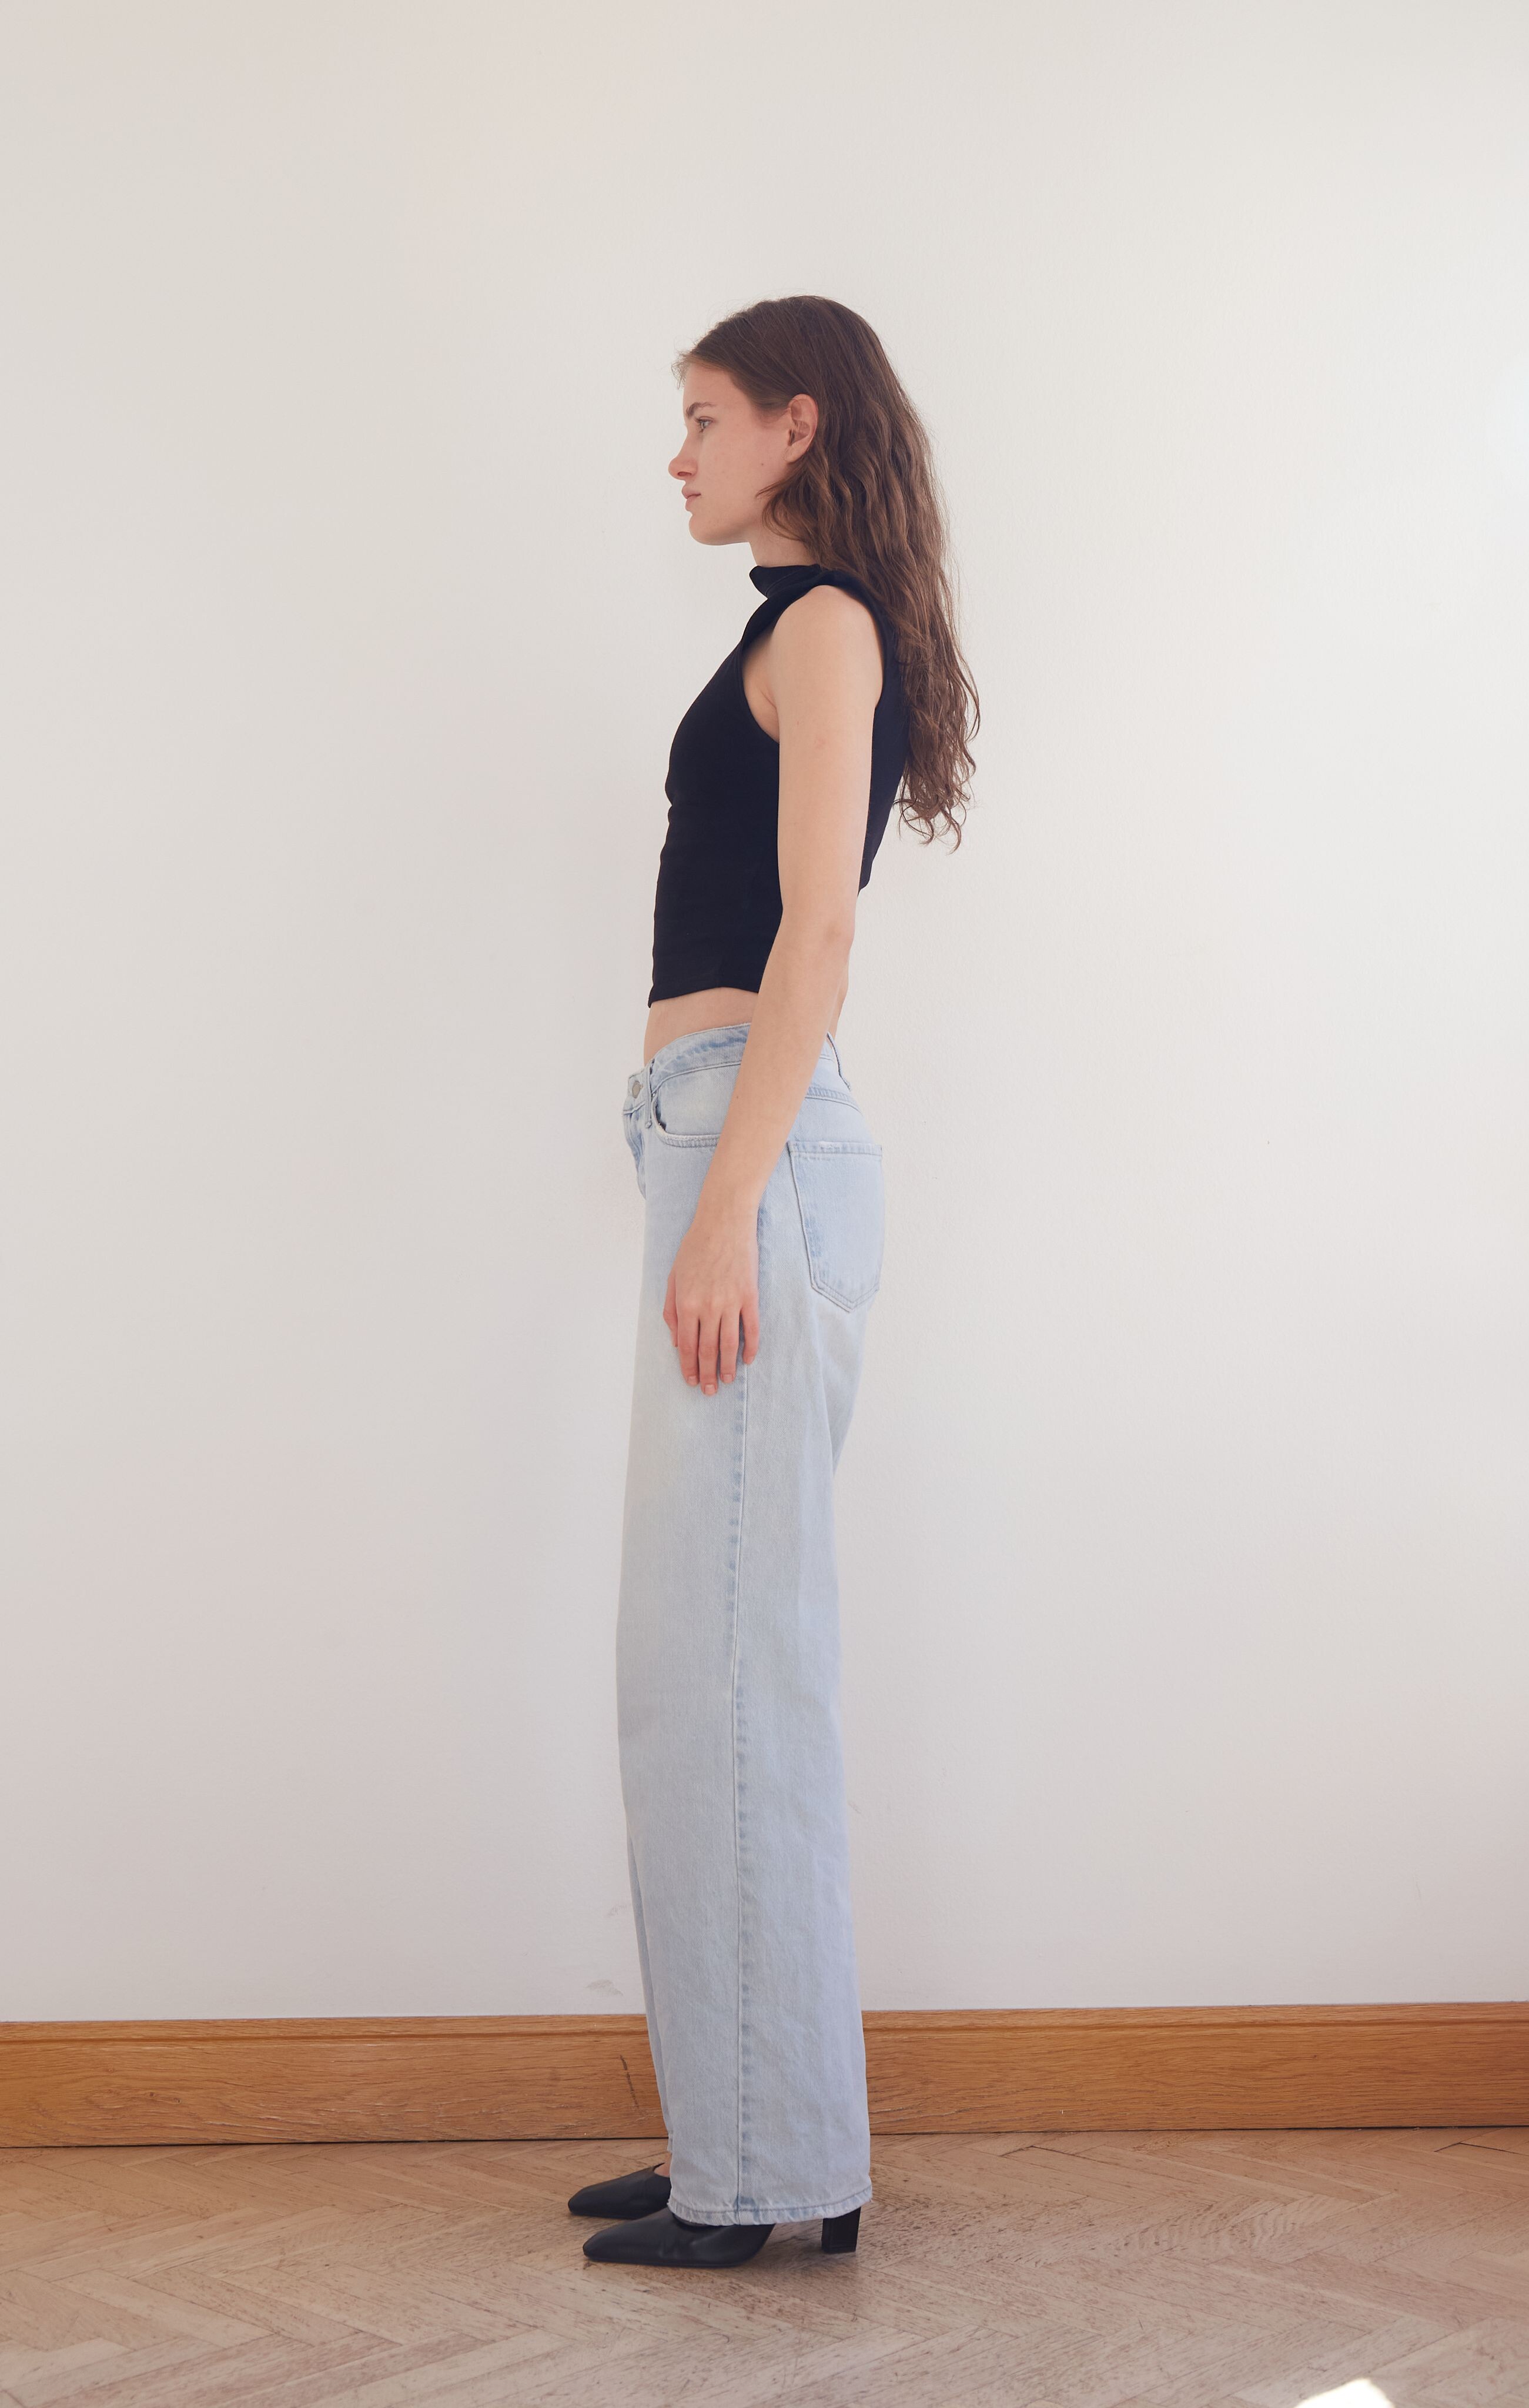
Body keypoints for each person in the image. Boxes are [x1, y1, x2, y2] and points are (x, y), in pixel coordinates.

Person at [571, 295, 977, 2271]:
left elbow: (816, 933)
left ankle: (761, 2173)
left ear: (797, 426)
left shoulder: (820, 628)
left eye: (705, 418)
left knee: (724, 1674)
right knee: (703, 1669)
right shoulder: (797, 628)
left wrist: (726, 1204)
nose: (679, 456)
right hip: (723, 1136)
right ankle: (755, 2135)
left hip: (755, 1147)